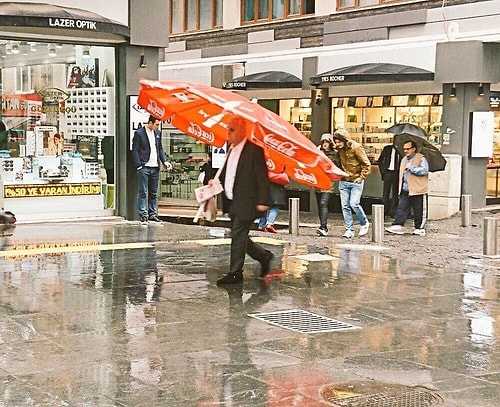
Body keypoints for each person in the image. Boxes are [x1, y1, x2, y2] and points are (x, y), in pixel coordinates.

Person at [215, 114, 273, 285]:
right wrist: (214, 181)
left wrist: (263, 201)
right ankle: (264, 256)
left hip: (247, 201)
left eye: (232, 130)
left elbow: (262, 178)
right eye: (228, 129)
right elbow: (227, 173)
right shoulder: (230, 149)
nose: (228, 133)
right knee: (239, 235)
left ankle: (235, 273)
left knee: (238, 235)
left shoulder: (254, 151)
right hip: (232, 200)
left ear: (241, 131)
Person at [131, 115, 172, 225]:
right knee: (143, 192)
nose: (158, 127)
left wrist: (165, 161)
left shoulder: (157, 133)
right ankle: (143, 215)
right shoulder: (139, 133)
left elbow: (160, 149)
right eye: (157, 124)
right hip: (144, 166)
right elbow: (135, 150)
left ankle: (152, 214)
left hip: (155, 166)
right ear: (150, 122)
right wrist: (139, 165)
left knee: (153, 193)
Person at [332, 128, 371, 238]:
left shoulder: (356, 147)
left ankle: (364, 223)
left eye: (339, 141)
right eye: (336, 141)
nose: (337, 144)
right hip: (344, 180)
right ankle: (349, 229)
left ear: (344, 140)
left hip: (355, 180)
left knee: (354, 203)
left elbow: (366, 164)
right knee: (345, 206)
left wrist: (361, 177)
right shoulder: (338, 150)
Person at [385, 140, 429, 236]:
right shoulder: (404, 159)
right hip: (405, 188)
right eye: (404, 149)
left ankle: (420, 228)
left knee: (419, 209)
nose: (405, 151)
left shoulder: (421, 158)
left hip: (418, 189)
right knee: (402, 208)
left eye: (408, 149)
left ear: (413, 149)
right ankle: (398, 224)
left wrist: (412, 168)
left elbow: (424, 170)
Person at [315, 133, 338, 236]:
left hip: (329, 182)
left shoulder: (335, 154)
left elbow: (338, 166)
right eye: (323, 142)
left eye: (326, 142)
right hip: (318, 182)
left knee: (323, 203)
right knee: (319, 204)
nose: (324, 144)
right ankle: (322, 225)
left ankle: (323, 227)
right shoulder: (318, 153)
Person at [377, 142, 401, 218]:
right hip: (388, 172)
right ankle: (384, 212)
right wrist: (383, 171)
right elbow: (380, 160)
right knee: (385, 193)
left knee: (395, 194)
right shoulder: (387, 148)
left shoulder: (401, 151)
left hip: (397, 173)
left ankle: (393, 212)